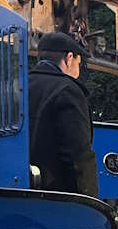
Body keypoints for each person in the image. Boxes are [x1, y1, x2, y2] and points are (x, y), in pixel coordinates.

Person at [28, 32, 98, 197]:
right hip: (57, 199)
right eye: (79, 65)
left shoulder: (17, 86)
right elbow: (78, 154)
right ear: (69, 58)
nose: (78, 72)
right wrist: (89, 199)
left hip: (16, 192)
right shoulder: (67, 90)